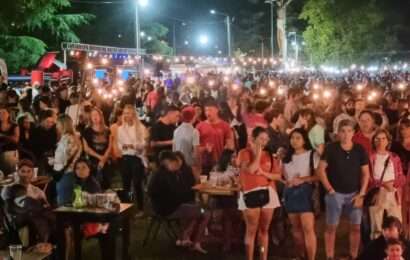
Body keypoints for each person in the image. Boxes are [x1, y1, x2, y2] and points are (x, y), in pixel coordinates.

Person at [318, 119, 370, 260]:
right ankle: (330, 256)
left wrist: (362, 194)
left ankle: (353, 256)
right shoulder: (331, 148)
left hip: (354, 193)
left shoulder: (359, 149)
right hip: (335, 193)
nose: (346, 134)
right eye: (343, 131)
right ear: (338, 133)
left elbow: (366, 173)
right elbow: (321, 170)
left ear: (353, 133)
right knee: (331, 227)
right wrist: (330, 190)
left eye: (349, 131)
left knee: (356, 227)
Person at [148, 151, 210, 254]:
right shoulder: (165, 176)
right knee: (205, 212)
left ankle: (184, 238)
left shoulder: (159, 174)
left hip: (165, 208)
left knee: (197, 211)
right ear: (167, 162)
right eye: (174, 163)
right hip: (170, 210)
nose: (176, 165)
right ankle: (195, 243)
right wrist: (191, 191)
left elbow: (176, 193)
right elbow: (177, 195)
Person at [237, 127, 282, 260]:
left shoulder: (270, 156)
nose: (264, 142)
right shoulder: (244, 153)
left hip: (268, 193)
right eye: (261, 138)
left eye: (266, 139)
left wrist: (264, 173)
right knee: (251, 230)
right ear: (253, 138)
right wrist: (258, 153)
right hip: (251, 193)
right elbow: (251, 169)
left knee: (264, 231)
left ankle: (263, 256)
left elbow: (277, 176)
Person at [282, 128, 318, 260]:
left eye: (298, 138)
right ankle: (300, 255)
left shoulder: (311, 155)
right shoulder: (286, 157)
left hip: (305, 192)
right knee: (296, 228)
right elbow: (284, 177)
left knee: (308, 227)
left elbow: (318, 176)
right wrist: (288, 182)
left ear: (304, 140)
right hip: (290, 193)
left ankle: (311, 257)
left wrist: (302, 179)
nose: (294, 141)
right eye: (292, 138)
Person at [1, 159, 54, 243]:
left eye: (29, 171)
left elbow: (47, 208)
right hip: (16, 221)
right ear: (17, 172)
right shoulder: (8, 189)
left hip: (36, 221)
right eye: (23, 171)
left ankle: (47, 243)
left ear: (33, 173)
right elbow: (7, 210)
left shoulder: (37, 191)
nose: (26, 174)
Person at [368, 129, 405, 240]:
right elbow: (367, 178)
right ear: (373, 141)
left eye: (383, 138)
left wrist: (394, 184)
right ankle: (377, 251)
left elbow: (402, 177)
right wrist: (383, 184)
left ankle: (396, 251)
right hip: (377, 192)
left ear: (388, 141)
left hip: (394, 192)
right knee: (376, 225)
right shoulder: (370, 157)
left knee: (396, 224)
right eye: (377, 139)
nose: (380, 141)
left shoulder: (394, 157)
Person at [113, 104, 148, 217]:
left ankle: (141, 208)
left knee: (137, 183)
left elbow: (143, 143)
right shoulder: (121, 129)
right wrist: (125, 147)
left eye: (129, 113)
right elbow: (119, 144)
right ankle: (127, 206)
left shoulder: (140, 127)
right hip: (125, 158)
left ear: (133, 114)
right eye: (125, 113)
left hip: (136, 158)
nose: (126, 115)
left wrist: (132, 145)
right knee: (126, 184)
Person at [196, 101, 234, 175]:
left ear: (217, 110)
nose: (207, 113)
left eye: (210, 110)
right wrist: (205, 148)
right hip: (204, 163)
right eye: (206, 110)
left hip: (220, 162)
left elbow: (230, 146)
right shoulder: (199, 126)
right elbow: (195, 148)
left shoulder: (225, 125)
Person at [53, 114, 82, 206]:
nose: (56, 126)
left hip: (65, 174)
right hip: (71, 173)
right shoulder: (75, 138)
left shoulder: (66, 139)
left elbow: (63, 159)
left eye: (58, 124)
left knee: (64, 205)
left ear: (63, 124)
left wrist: (52, 161)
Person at [82, 107, 113, 189]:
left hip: (106, 160)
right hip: (93, 161)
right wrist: (100, 158)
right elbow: (86, 148)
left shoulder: (107, 130)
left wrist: (104, 159)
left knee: (106, 185)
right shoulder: (87, 131)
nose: (95, 117)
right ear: (90, 118)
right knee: (94, 185)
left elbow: (110, 146)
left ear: (101, 116)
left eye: (97, 115)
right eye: (92, 115)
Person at [173, 106, 200, 174]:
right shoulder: (194, 132)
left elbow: (173, 149)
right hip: (190, 166)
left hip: (178, 165)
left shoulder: (176, 130)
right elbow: (196, 153)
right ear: (193, 117)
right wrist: (198, 166)